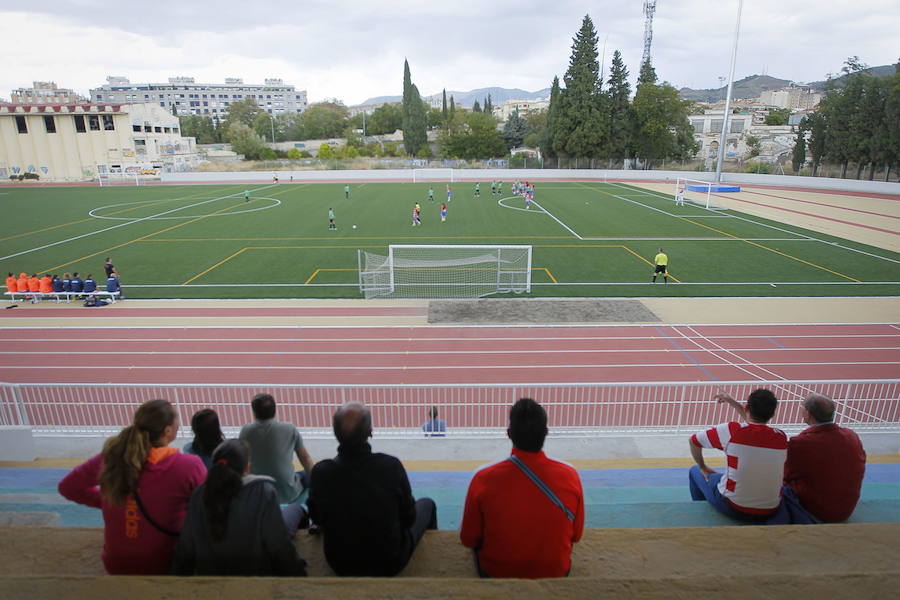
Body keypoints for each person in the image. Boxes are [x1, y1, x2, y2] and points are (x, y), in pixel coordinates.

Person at [57, 399, 205, 574]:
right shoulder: (189, 465)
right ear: (167, 431)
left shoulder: (111, 457)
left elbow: (68, 487)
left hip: (116, 563)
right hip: (167, 561)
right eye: (177, 424)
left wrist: (111, 499)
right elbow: (208, 504)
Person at [308, 402, 437, 576]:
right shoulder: (391, 466)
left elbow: (317, 518)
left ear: (336, 433)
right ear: (370, 432)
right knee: (427, 504)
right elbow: (409, 518)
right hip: (389, 561)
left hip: (339, 562)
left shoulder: (320, 472)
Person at [460, 398, 584, 578]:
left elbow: (468, 539)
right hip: (556, 571)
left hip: (496, 572)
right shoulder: (570, 476)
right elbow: (576, 536)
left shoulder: (482, 478)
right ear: (546, 432)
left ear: (509, 433)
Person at [172, 440, 308, 576]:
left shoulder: (199, 494)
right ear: (247, 468)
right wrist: (298, 573)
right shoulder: (262, 492)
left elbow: (186, 547)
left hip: (211, 578)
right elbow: (278, 543)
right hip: (256, 579)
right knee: (295, 509)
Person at [688, 389, 787, 521]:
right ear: (772, 413)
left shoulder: (732, 431)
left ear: (747, 407)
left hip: (734, 507)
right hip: (771, 508)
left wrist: (702, 466)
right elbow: (754, 425)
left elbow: (694, 441)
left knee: (695, 471)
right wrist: (732, 402)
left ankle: (704, 516)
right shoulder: (780, 438)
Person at [783, 393, 866, 522]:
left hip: (815, 511)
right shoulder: (852, 437)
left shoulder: (800, 443)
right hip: (846, 510)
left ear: (808, 414)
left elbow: (784, 475)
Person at [239, 393, 314, 504]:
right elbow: (305, 458)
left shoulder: (245, 431)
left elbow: (244, 463)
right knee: (306, 475)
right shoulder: (289, 428)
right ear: (275, 410)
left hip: (260, 493)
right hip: (289, 493)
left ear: (254, 412)